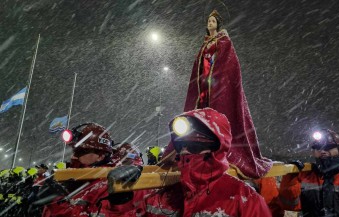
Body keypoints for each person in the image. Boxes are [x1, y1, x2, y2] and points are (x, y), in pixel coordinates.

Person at [163, 9, 272, 179]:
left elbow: (229, 65)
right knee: (199, 115)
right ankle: (195, 145)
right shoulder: (204, 44)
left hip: (216, 84)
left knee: (217, 114)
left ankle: (217, 147)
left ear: (218, 24)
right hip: (203, 86)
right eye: (208, 21)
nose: (210, 23)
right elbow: (198, 66)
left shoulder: (224, 42)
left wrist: (217, 76)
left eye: (213, 21)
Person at [109, 108, 272, 216]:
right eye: (181, 146)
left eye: (194, 146)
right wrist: (121, 200)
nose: (185, 151)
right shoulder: (161, 194)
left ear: (216, 149)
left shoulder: (244, 199)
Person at [40, 123, 116, 217]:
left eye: (81, 151)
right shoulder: (76, 178)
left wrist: (57, 203)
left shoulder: (110, 185)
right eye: (75, 151)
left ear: (100, 156)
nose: (74, 156)